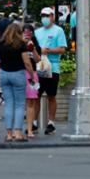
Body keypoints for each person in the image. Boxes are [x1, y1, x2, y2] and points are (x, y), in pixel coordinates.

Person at [0, 23, 36, 142]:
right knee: (19, 104)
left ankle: (9, 134)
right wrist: (31, 74)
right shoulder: (21, 45)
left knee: (9, 104)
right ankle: (18, 132)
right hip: (18, 74)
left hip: (4, 74)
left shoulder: (1, 43)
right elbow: (27, 62)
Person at [33, 7, 67, 135]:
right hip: (38, 66)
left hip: (53, 67)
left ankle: (51, 123)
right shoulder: (37, 32)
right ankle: (34, 123)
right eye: (42, 16)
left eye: (47, 16)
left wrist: (49, 51)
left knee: (51, 96)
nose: (44, 18)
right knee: (36, 95)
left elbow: (63, 49)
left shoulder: (59, 31)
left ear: (52, 16)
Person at [23, 24, 41, 138]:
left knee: (31, 101)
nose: (27, 34)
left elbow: (38, 59)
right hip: (21, 73)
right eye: (25, 32)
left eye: (29, 32)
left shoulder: (34, 44)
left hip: (32, 74)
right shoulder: (18, 45)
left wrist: (33, 49)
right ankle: (18, 129)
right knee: (21, 102)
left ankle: (30, 128)